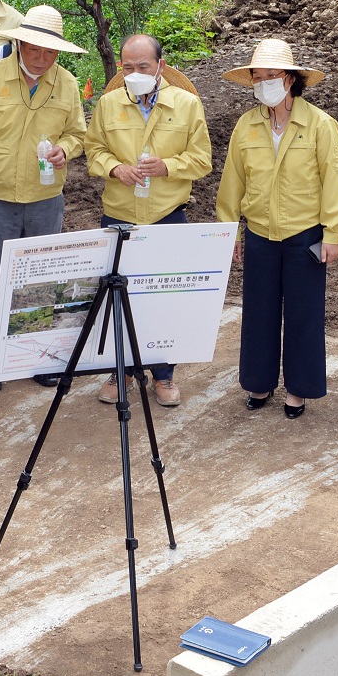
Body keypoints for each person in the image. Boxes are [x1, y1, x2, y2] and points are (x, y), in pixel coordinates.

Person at [215, 39, 338, 419]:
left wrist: (333, 233)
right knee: (258, 310)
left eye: (271, 76)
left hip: (304, 234)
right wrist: (231, 232)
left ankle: (299, 388)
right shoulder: (247, 125)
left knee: (304, 313)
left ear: (290, 79)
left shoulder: (321, 125)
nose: (263, 84)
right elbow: (232, 182)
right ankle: (259, 382)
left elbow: (334, 181)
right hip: (259, 233)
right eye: (258, 78)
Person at [83, 34, 212, 408]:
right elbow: (94, 150)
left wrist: (168, 166)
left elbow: (202, 158)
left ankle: (164, 373)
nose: (135, 74)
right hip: (119, 215)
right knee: (116, 296)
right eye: (128, 68)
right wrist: (115, 168)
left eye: (143, 67)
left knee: (165, 296)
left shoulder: (186, 105)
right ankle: (119, 370)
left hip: (167, 215)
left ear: (160, 65)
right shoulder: (108, 105)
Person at [0, 5, 88, 392]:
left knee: (41, 279)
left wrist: (64, 150)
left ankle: (36, 352)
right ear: (19, 43)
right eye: (34, 49)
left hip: (45, 198)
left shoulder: (66, 83)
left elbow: (78, 134)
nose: (41, 58)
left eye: (50, 52)